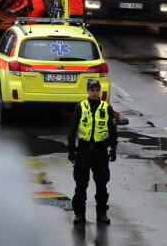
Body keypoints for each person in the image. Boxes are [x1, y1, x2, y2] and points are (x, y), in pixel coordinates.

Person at [67, 79, 118, 225]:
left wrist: (113, 148)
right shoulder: (81, 107)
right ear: (87, 91)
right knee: (81, 184)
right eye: (92, 90)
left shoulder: (106, 107)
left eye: (97, 90)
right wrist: (71, 149)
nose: (95, 93)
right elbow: (72, 129)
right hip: (83, 149)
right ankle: (79, 214)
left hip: (100, 150)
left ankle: (101, 213)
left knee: (102, 184)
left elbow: (112, 130)